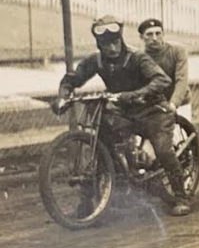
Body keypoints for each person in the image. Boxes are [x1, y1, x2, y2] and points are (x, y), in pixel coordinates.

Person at [54, 16, 189, 216]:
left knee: (162, 148)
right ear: (100, 45)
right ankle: (87, 203)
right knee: (100, 143)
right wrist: (63, 95)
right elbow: (75, 77)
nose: (113, 48)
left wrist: (134, 95)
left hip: (152, 110)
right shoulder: (96, 60)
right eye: (107, 44)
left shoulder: (137, 57)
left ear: (121, 40)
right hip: (123, 111)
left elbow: (162, 80)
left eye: (116, 42)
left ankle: (181, 195)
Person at [138, 18, 192, 122]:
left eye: (158, 33)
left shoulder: (177, 50)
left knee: (181, 136)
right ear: (141, 37)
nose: (154, 38)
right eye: (149, 34)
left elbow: (181, 80)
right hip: (155, 107)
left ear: (163, 34)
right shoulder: (140, 57)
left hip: (179, 103)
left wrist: (173, 104)